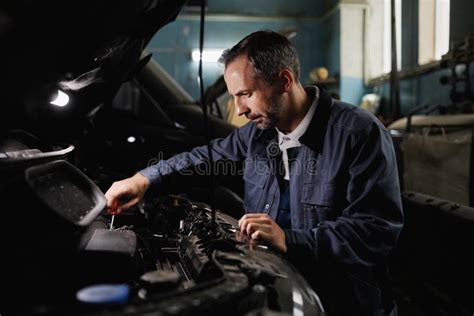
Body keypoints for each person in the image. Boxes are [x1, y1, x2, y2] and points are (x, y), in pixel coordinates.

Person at [105, 30, 403, 316]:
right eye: (234, 96)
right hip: (273, 296)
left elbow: (374, 232)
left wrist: (290, 239)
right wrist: (144, 180)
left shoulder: (358, 134)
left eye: (246, 94)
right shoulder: (258, 136)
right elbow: (202, 160)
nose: (240, 108)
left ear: (284, 80)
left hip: (343, 303)